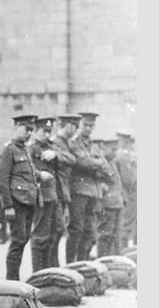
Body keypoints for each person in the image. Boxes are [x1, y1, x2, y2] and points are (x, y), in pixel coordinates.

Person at [0, 115, 40, 281]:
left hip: (28, 201)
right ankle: (12, 280)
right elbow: (2, 181)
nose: (29, 133)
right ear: (16, 127)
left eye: (31, 130)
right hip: (16, 202)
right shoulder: (8, 150)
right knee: (17, 240)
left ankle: (15, 279)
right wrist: (7, 206)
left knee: (23, 239)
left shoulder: (24, 150)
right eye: (26, 129)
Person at [66, 112, 112, 262]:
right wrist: (97, 163)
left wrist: (94, 164)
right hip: (79, 191)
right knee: (76, 229)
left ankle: (83, 261)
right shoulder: (73, 143)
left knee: (90, 232)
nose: (88, 128)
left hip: (94, 192)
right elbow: (82, 162)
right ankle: (71, 263)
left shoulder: (94, 146)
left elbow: (107, 169)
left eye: (91, 126)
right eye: (85, 125)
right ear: (79, 124)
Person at [28, 117, 69, 273]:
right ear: (35, 131)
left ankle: (50, 267)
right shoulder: (30, 149)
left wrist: (55, 155)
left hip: (54, 196)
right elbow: (25, 170)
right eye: (43, 131)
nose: (46, 134)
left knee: (58, 230)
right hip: (41, 197)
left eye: (49, 131)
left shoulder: (52, 147)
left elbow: (71, 159)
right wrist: (39, 174)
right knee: (40, 236)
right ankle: (38, 273)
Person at [48, 114, 80, 267]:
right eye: (73, 126)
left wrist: (60, 155)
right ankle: (52, 264)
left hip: (65, 190)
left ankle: (55, 263)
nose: (75, 130)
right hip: (57, 190)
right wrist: (61, 155)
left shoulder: (68, 143)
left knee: (60, 229)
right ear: (66, 125)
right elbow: (72, 159)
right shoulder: (54, 142)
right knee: (56, 230)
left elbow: (73, 159)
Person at [96, 139, 125, 257]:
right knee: (105, 235)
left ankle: (114, 260)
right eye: (112, 149)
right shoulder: (100, 163)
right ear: (104, 148)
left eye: (115, 150)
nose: (114, 152)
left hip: (117, 203)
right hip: (108, 204)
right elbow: (98, 180)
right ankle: (103, 259)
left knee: (116, 235)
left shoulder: (113, 163)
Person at [115, 131, 137, 249]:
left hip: (132, 193)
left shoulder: (130, 154)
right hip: (127, 194)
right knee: (125, 225)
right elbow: (126, 178)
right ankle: (123, 251)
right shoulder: (121, 155)